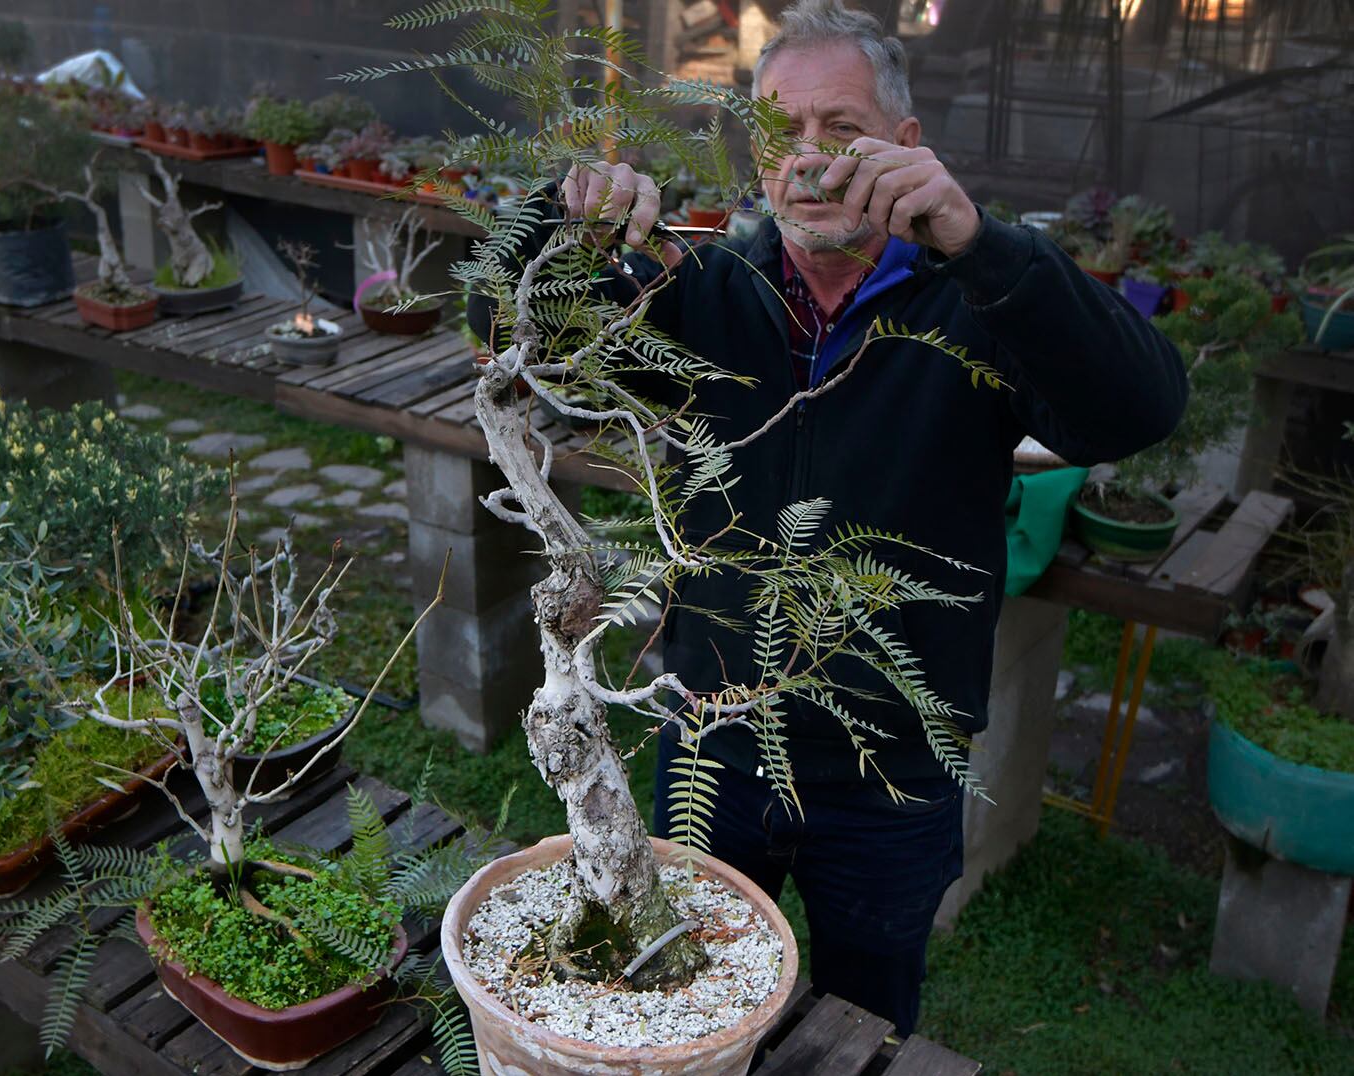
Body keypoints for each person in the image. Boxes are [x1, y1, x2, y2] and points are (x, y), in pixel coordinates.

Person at [470, 0, 1187, 1036]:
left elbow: (1139, 408)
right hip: (713, 739)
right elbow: (498, 331)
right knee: (681, 1003)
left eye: (840, 132)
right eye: (779, 134)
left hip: (890, 771)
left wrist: (982, 245)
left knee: (863, 1019)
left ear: (906, 147)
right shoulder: (699, 291)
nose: (807, 160)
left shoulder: (971, 305)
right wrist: (559, 220)